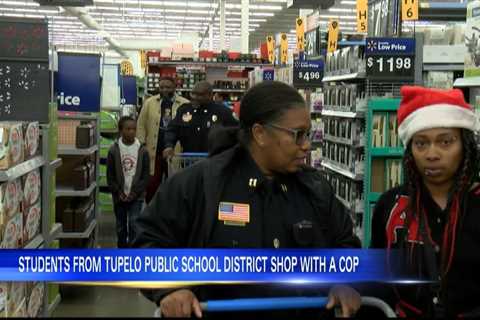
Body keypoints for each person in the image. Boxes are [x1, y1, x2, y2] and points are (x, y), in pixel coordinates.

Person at [134, 81, 362, 318]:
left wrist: (345, 282)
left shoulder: (315, 189)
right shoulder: (201, 185)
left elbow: (346, 246)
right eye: (298, 135)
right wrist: (170, 289)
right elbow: (146, 243)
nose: (306, 146)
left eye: (309, 135)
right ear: (260, 133)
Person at [371, 86, 480, 317]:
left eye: (445, 142)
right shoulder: (391, 206)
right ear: (410, 150)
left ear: (465, 146)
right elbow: (377, 279)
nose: (432, 154)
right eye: (421, 143)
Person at [137, 77, 189, 203]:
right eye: (162, 87)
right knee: (152, 184)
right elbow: (141, 124)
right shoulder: (149, 103)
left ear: (175, 88)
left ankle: (172, 211)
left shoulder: (184, 104)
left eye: (168, 87)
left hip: (175, 152)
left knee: (175, 183)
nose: (164, 90)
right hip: (153, 151)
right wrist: (142, 144)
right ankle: (151, 210)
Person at [162, 81, 238, 158]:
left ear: (210, 95)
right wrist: (169, 146)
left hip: (214, 161)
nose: (195, 97)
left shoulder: (223, 112)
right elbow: (172, 130)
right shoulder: (184, 110)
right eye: (193, 93)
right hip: (189, 161)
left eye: (200, 95)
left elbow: (236, 133)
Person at [107, 116, 150, 248]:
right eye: (128, 129)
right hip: (119, 196)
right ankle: (122, 251)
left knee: (133, 224)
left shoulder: (142, 150)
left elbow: (145, 176)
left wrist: (135, 193)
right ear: (121, 131)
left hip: (136, 196)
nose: (131, 132)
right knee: (120, 227)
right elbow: (110, 176)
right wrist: (118, 192)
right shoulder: (114, 150)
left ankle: (132, 252)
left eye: (134, 129)